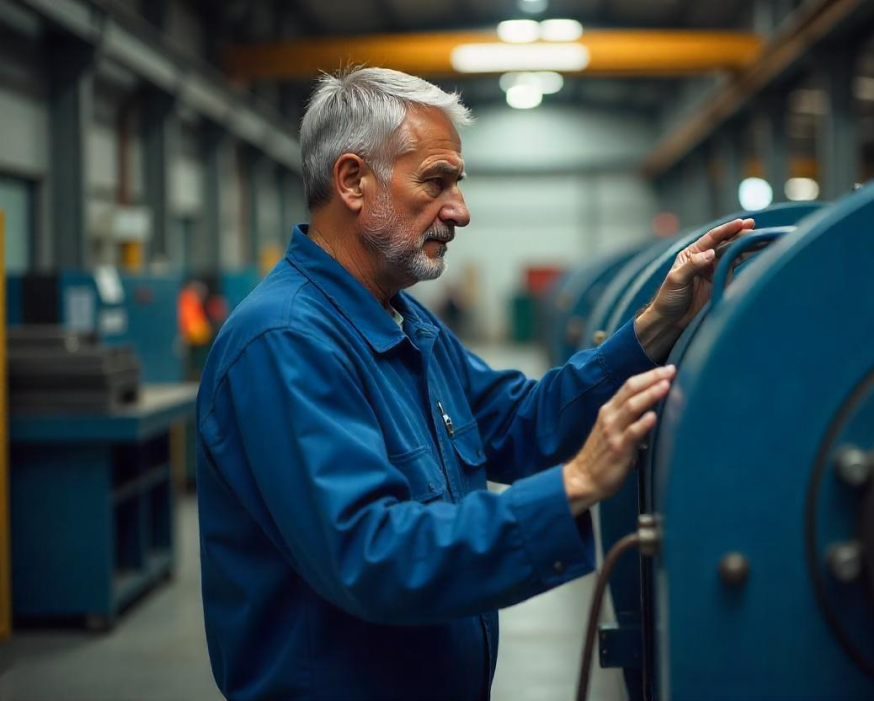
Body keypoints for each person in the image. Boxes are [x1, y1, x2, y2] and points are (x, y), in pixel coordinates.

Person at [195, 67, 753, 700]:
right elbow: (370, 556)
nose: (459, 211)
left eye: (456, 184)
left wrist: (655, 325)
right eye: (436, 182)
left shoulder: (401, 317)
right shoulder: (285, 342)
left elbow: (519, 424)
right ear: (352, 180)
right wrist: (572, 487)